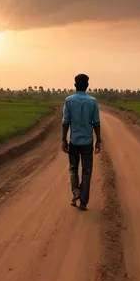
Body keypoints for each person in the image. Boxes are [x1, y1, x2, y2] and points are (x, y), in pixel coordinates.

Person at [61, 73, 101, 210]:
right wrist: (98, 140)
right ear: (87, 86)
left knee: (73, 168)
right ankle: (83, 202)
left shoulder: (69, 100)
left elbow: (65, 122)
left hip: (74, 142)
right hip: (87, 142)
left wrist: (63, 140)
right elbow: (96, 123)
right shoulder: (93, 102)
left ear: (75, 85)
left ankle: (76, 192)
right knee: (86, 171)